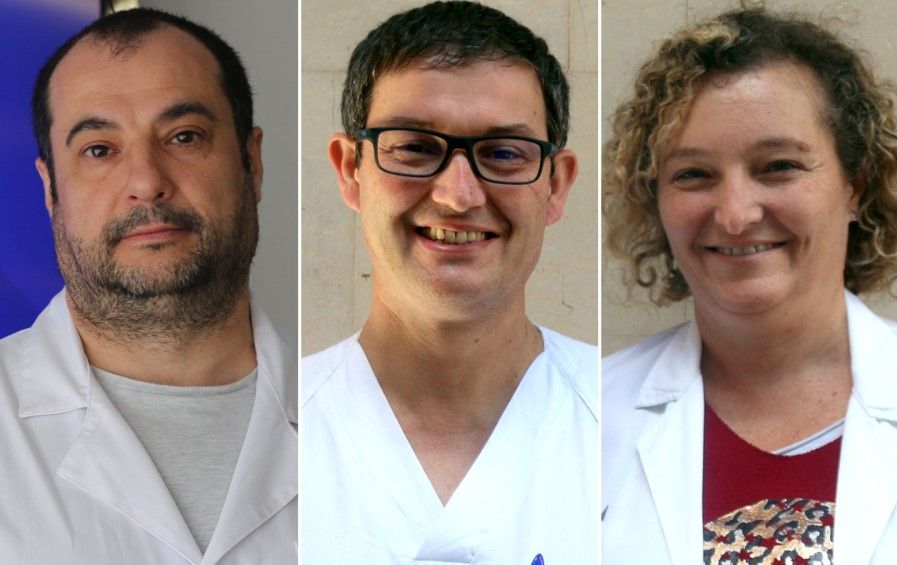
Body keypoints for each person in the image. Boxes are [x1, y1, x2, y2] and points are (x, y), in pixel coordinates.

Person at [300, 2, 597, 563]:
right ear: (350, 170)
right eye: (414, 147)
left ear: (556, 186)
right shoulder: (273, 434)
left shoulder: (622, 424)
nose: (458, 195)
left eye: (504, 153)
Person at [602, 7, 897, 564]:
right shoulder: (594, 418)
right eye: (693, 175)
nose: (735, 215)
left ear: (855, 185)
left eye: (779, 166)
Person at [0, 8, 296, 564]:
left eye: (184, 137)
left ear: (251, 162)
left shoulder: (365, 420)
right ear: (50, 189)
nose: (146, 182)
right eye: (99, 149)